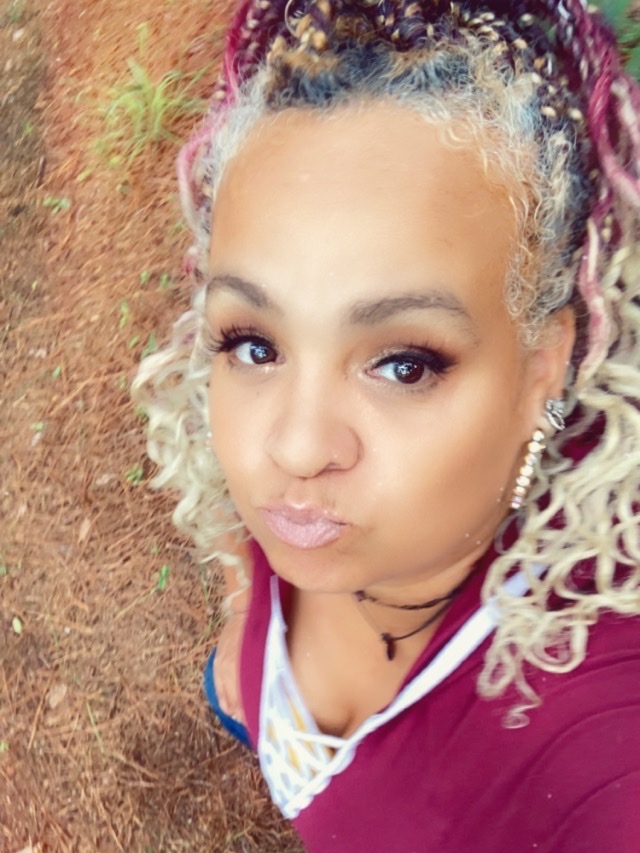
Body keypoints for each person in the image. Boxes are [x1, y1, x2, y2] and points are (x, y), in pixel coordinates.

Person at [132, 1, 640, 850]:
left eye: (404, 364)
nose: (293, 448)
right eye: (255, 343)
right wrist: (244, 638)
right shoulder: (320, 499)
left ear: (543, 366)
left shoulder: (598, 751)